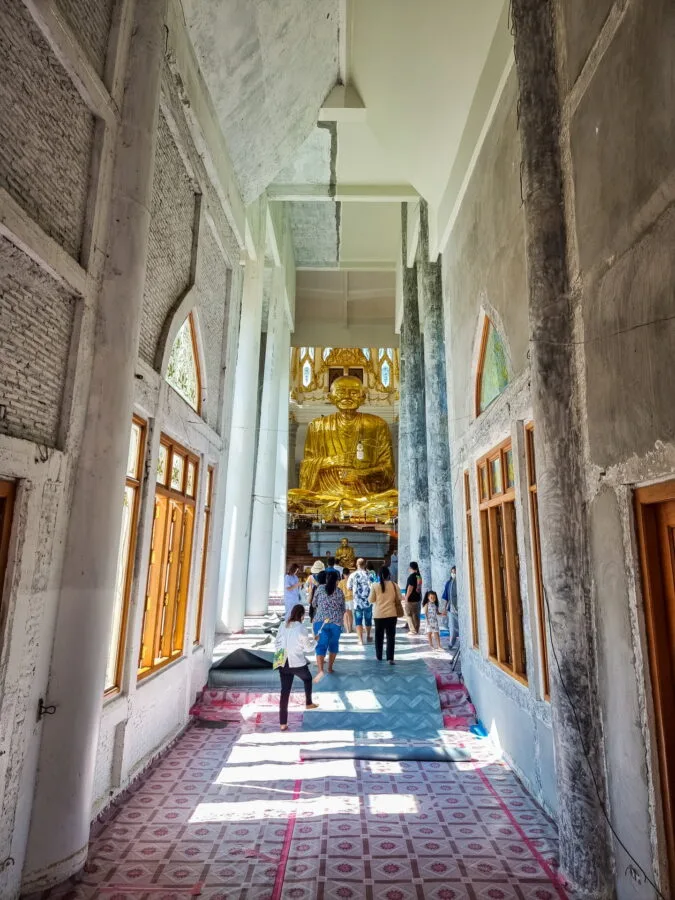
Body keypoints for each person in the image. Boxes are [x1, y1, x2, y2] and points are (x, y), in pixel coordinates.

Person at [274, 604, 320, 731]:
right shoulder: (301, 628)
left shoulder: (283, 625)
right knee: (308, 678)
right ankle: (309, 703)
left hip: (282, 662)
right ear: (301, 615)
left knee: (285, 692)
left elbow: (276, 642)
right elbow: (308, 648)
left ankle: (283, 723)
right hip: (296, 663)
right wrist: (315, 640)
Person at [312, 570, 345, 682]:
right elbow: (343, 609)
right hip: (336, 622)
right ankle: (330, 668)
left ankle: (321, 670)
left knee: (320, 645)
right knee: (333, 645)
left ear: (326, 579)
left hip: (320, 622)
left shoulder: (320, 589)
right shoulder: (340, 592)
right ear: (337, 580)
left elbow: (313, 603)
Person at [369, 565, 404, 664]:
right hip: (391, 614)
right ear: (389, 575)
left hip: (378, 615)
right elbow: (400, 598)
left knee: (378, 637)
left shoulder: (375, 586)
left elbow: (371, 600)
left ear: (379, 575)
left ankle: (379, 656)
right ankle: (390, 658)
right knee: (391, 637)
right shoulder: (394, 585)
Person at [347, 558, 374, 644]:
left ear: (356, 564)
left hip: (357, 602)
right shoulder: (370, 575)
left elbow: (349, 587)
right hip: (368, 601)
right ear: (365, 564)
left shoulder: (352, 575)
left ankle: (360, 640)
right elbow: (374, 586)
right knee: (368, 619)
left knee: (358, 620)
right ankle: (368, 636)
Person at [442, 565, 459, 649]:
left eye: (455, 572)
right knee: (452, 627)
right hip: (451, 609)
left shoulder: (460, 582)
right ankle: (451, 643)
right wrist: (444, 609)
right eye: (452, 572)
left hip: (460, 609)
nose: (453, 573)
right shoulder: (449, 583)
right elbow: (446, 597)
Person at [404, 561, 423, 635]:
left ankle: (412, 630)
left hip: (411, 599)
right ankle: (416, 629)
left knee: (408, 614)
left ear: (411, 568)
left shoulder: (411, 577)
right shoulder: (419, 576)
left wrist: (406, 597)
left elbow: (410, 588)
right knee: (416, 614)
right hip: (417, 598)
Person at [339, 567, 354, 633]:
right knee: (350, 614)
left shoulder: (341, 582)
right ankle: (350, 628)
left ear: (343, 574)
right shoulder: (352, 581)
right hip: (351, 599)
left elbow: (339, 591)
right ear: (349, 573)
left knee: (345, 615)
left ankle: (347, 629)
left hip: (343, 600)